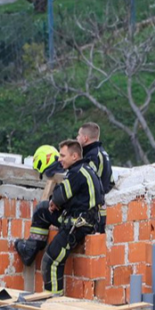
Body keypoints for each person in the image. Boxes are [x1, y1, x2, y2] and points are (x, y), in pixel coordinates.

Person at [38, 140, 104, 295]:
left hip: (78, 225)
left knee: (51, 262)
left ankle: (53, 301)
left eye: (62, 155)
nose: (59, 159)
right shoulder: (84, 169)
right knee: (42, 210)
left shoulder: (77, 172)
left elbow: (60, 195)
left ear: (74, 156)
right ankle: (32, 246)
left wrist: (55, 201)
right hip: (81, 221)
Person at [76, 122, 113, 232]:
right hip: (102, 209)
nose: (77, 138)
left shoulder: (92, 155)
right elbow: (110, 181)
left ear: (85, 138)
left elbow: (87, 182)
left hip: (94, 211)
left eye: (79, 135)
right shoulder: (102, 152)